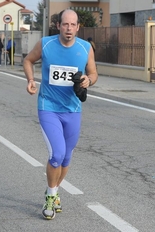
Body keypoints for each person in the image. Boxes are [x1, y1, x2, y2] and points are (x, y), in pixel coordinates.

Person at [23, 9, 98, 220]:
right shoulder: (46, 44)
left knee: (66, 157)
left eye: (73, 25)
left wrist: (88, 81)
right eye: (65, 24)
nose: (69, 29)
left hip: (73, 109)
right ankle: (51, 194)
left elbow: (93, 73)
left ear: (78, 27)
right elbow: (28, 60)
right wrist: (30, 80)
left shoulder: (85, 48)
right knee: (56, 154)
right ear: (58, 26)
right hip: (49, 107)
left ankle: (55, 190)